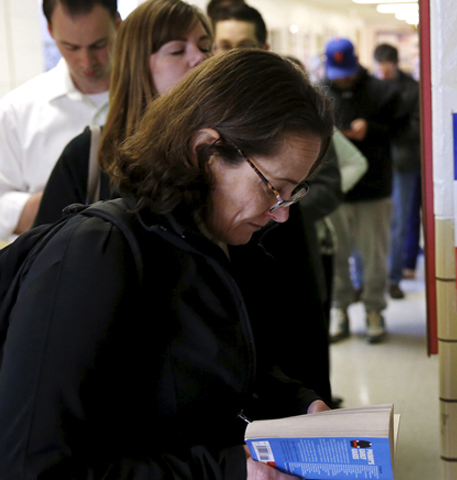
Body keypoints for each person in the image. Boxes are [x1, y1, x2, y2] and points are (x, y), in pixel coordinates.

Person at [0, 49, 334, 479]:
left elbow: (209, 374)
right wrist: (228, 472)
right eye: (274, 188)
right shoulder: (95, 252)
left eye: (294, 192)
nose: (282, 212)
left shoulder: (223, 247)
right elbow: (32, 466)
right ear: (205, 152)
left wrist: (295, 404)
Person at [209, 4, 341, 402]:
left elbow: (328, 184)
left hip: (287, 261)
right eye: (220, 45)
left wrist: (270, 205)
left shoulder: (299, 114)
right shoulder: (202, 124)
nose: (229, 57)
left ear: (264, 48)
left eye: (243, 46)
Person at [35, 0, 212, 226]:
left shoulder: (225, 146)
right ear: (139, 64)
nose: (200, 58)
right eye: (177, 50)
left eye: (206, 47)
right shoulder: (88, 154)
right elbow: (41, 254)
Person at [0, 0, 120, 241]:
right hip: (50, 266)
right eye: (71, 47)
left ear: (118, 24)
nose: (87, 62)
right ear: (51, 31)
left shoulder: (151, 100)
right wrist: (57, 199)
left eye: (98, 45)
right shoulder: (17, 110)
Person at [322, 37, 403, 344]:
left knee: (375, 257)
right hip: (335, 192)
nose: (341, 77)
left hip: (375, 189)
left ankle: (374, 310)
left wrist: (372, 129)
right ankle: (339, 309)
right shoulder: (320, 92)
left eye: (346, 70)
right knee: (338, 256)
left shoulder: (382, 91)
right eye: (336, 71)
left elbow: (401, 129)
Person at [373, 43, 422, 299]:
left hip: (403, 162)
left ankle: (395, 277)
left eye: (387, 72)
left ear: (395, 65)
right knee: (372, 222)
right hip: (373, 163)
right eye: (379, 73)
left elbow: (416, 127)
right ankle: (369, 280)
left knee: (400, 221)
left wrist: (384, 130)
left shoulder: (412, 89)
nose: (383, 78)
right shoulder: (368, 88)